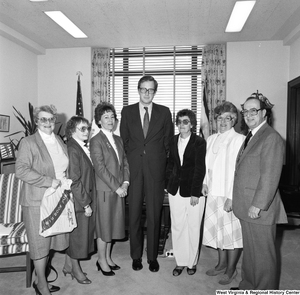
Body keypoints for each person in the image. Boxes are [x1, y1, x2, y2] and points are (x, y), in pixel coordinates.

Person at [231, 93, 287, 290]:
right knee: (251, 252)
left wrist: (258, 205)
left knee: (263, 256)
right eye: (245, 111)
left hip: (259, 208)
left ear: (264, 113)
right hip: (245, 205)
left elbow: (270, 175)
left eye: (253, 110)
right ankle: (248, 284)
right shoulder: (252, 135)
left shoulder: (271, 138)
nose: (248, 115)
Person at [120, 75, 173, 272]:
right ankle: (135, 256)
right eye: (143, 89)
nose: (147, 93)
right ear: (138, 89)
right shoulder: (127, 111)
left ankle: (152, 257)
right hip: (134, 171)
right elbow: (124, 142)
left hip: (155, 171)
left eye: (150, 89)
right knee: (133, 213)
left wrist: (162, 166)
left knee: (154, 214)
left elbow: (168, 143)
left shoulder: (164, 112)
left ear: (155, 91)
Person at [15, 105, 69, 295]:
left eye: (51, 119)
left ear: (55, 121)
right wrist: (48, 181)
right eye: (43, 119)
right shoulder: (28, 142)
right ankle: (42, 285)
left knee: (51, 241)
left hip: (57, 199)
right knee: (40, 245)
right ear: (36, 121)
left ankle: (40, 279)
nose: (48, 123)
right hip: (36, 201)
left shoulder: (59, 141)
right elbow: (21, 170)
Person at [202, 102, 245, 285]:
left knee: (231, 234)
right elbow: (207, 165)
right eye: (219, 118)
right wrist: (204, 182)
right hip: (213, 192)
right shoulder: (211, 138)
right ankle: (220, 264)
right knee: (218, 231)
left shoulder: (239, 139)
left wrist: (232, 196)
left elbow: (238, 171)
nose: (223, 121)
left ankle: (231, 269)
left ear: (234, 120)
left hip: (228, 194)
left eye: (227, 118)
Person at [90, 102, 130, 276]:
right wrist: (116, 187)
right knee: (104, 227)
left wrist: (126, 183)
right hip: (106, 190)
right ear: (99, 121)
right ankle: (101, 260)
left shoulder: (118, 139)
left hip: (119, 188)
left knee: (112, 225)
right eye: (106, 117)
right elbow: (100, 169)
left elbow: (125, 164)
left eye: (112, 116)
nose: (110, 120)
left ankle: (107, 257)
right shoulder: (96, 140)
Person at [166, 109, 206, 276]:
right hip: (175, 190)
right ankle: (180, 262)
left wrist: (196, 192)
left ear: (191, 124)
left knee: (193, 226)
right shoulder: (172, 140)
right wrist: (168, 183)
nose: (182, 125)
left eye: (185, 121)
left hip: (193, 191)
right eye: (179, 121)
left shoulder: (199, 142)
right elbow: (169, 163)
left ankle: (191, 262)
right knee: (177, 226)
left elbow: (199, 168)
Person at [62, 116, 96, 284]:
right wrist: (86, 203)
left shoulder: (79, 147)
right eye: (82, 129)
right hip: (78, 201)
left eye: (87, 128)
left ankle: (68, 266)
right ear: (72, 131)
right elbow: (74, 180)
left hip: (82, 197)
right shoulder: (73, 149)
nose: (86, 131)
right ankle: (76, 270)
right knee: (78, 238)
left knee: (78, 236)